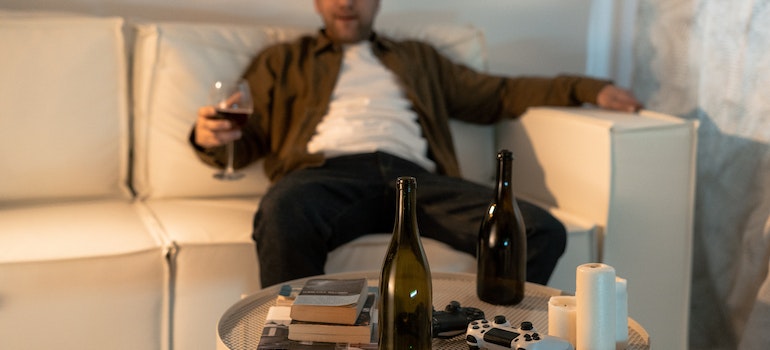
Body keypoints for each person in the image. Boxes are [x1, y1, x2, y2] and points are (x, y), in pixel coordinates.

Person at [191, 0, 643, 288]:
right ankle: (299, 340)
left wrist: (585, 88)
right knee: (282, 209)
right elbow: (243, 139)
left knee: (539, 230)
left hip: (418, 180)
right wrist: (210, 136)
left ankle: (483, 340)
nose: (347, 3)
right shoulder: (282, 61)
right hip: (326, 176)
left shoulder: (417, 58)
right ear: (317, 3)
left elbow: (499, 93)